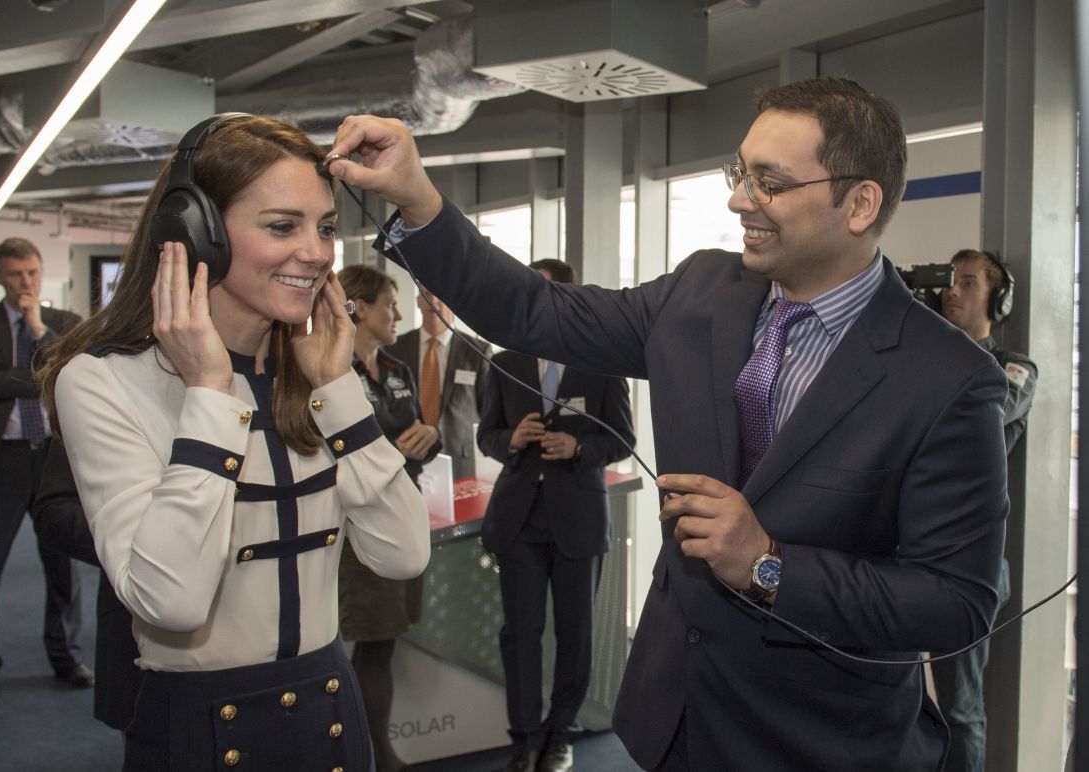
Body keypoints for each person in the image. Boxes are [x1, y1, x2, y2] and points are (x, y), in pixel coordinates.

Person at [325, 76, 1010, 771]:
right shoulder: (700, 293)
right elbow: (535, 311)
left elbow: (955, 604)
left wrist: (769, 565)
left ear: (859, 203)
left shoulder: (949, 381)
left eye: (769, 182)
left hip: (821, 739)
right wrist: (418, 200)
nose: (739, 198)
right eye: (741, 172)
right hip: (673, 718)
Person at [39, 114, 430, 772]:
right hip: (198, 722)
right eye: (282, 226)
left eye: (326, 227)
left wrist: (336, 387)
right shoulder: (102, 380)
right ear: (195, 234)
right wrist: (210, 392)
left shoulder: (317, 369)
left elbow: (401, 554)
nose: (316, 251)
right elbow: (174, 600)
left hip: (331, 710)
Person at [477, 258, 634, 772]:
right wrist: (511, 441)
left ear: (569, 298)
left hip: (579, 516)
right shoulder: (503, 361)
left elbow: (623, 438)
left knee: (577, 635)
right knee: (519, 633)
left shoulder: (603, 362)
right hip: (519, 517)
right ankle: (523, 737)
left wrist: (579, 447)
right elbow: (488, 435)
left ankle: (558, 733)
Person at [931, 248, 1037, 772]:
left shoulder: (1013, 370)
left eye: (968, 283)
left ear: (998, 299)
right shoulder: (930, 360)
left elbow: (978, 416)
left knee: (959, 708)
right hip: (916, 557)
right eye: (951, 281)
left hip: (970, 569)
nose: (953, 290)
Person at [335, 264, 440, 772]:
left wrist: (429, 438)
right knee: (361, 643)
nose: (400, 315)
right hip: (354, 530)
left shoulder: (397, 370)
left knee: (383, 644)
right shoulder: (329, 375)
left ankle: (374, 752)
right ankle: (370, 755)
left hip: (403, 517)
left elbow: (416, 434)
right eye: (390, 304)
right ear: (357, 307)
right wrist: (395, 456)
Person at [0, 236, 88, 706]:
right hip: (0, 463)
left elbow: (69, 372)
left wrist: (36, 329)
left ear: (41, 273)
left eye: (31, 273)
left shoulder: (65, 324)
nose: (24, 282)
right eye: (15, 274)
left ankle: (66, 658)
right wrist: (36, 372)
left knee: (63, 569)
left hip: (53, 460)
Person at [33, 436, 143, 733]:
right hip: (140, 628)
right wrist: (145, 547)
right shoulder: (101, 391)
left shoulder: (270, 391)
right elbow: (56, 511)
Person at [387, 287, 492, 480]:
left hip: (459, 460)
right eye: (427, 294)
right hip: (407, 457)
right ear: (418, 300)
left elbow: (488, 413)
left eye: (441, 295)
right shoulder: (394, 349)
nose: (433, 301)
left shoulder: (477, 352)